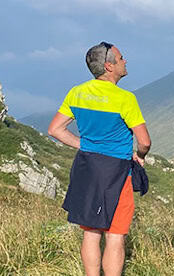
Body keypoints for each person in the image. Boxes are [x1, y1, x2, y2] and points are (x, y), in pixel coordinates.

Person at [48, 42, 151, 276]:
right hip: (116, 171)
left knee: (91, 233)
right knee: (115, 236)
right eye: (121, 58)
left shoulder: (77, 92)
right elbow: (144, 141)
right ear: (109, 66)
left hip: (86, 168)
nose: (125, 61)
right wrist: (140, 156)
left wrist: (85, 145)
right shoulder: (125, 98)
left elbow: (55, 130)